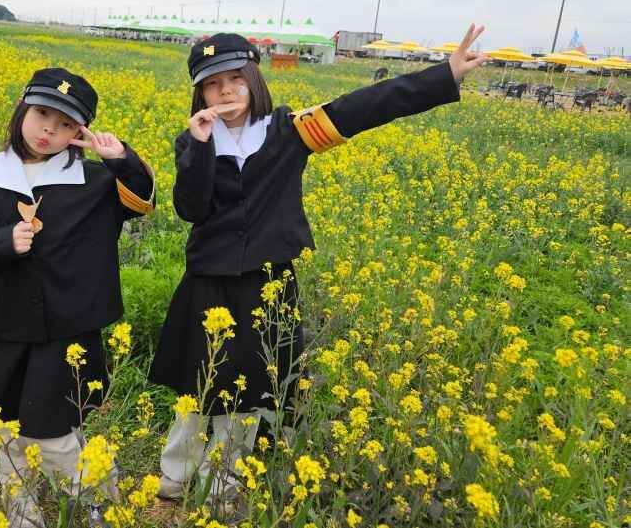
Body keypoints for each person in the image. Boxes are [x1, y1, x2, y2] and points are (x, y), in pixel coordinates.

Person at [149, 26, 489, 499]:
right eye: (212, 83)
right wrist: (201, 147)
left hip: (267, 281)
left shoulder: (289, 131)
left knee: (250, 388)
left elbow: (363, 107)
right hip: (209, 281)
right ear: (199, 92)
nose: (225, 90)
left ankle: (225, 476)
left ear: (254, 78)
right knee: (200, 383)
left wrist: (442, 76)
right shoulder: (191, 143)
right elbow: (191, 209)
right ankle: (179, 472)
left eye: (235, 78)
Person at [0, 68, 155, 526]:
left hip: (69, 328)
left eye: (66, 125)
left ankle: (102, 501)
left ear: (80, 133)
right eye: (42, 114)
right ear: (23, 109)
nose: (49, 130)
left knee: (55, 431)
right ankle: (21, 514)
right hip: (9, 325)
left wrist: (120, 158)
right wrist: (4, 242)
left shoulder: (95, 181)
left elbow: (142, 201)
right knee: (5, 426)